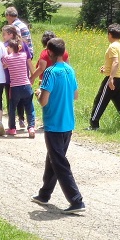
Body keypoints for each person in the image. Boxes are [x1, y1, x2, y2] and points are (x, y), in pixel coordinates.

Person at [33, 38, 86, 214]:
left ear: (49, 52)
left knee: (59, 162)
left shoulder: (50, 72)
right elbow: (75, 95)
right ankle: (44, 194)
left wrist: (38, 93)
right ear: (63, 52)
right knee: (54, 158)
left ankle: (76, 200)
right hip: (68, 123)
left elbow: (43, 101)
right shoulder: (70, 70)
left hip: (54, 124)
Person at [89, 22, 120, 130]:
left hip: (113, 79)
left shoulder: (112, 47)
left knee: (100, 101)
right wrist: (106, 68)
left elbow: (116, 62)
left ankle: (94, 124)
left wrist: (111, 78)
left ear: (109, 34)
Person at [1, 36, 35, 138]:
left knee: (12, 108)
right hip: (26, 85)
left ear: (10, 48)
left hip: (15, 87)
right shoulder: (23, 55)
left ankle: (12, 128)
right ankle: (31, 127)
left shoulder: (8, 58)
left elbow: (3, 64)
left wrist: (7, 52)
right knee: (29, 107)